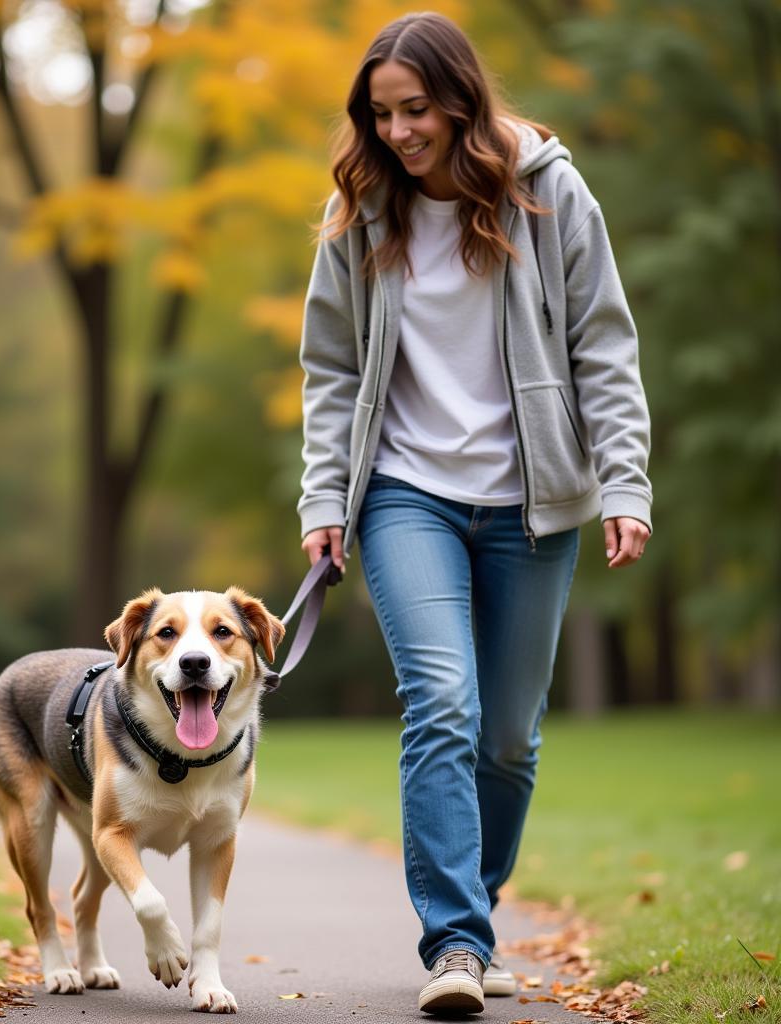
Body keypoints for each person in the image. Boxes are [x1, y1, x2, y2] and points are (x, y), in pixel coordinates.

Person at [296, 12, 652, 1016]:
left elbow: (604, 347)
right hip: (405, 494)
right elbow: (327, 371)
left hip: (531, 503)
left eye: (416, 110)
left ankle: (476, 910)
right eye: (381, 113)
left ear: (461, 101)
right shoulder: (362, 211)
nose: (400, 131)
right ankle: (454, 942)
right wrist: (326, 497)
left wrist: (624, 480)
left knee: (506, 736)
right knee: (441, 703)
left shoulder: (548, 193)